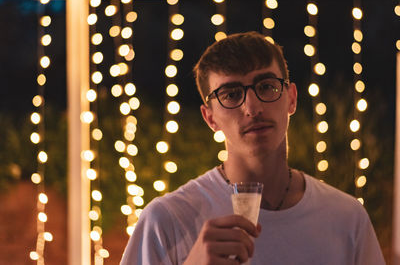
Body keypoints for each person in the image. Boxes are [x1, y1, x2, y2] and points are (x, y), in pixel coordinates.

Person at [120, 31, 385, 265]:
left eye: (266, 87)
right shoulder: (167, 221)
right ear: (210, 117)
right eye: (231, 94)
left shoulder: (346, 218)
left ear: (291, 98)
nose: (252, 108)